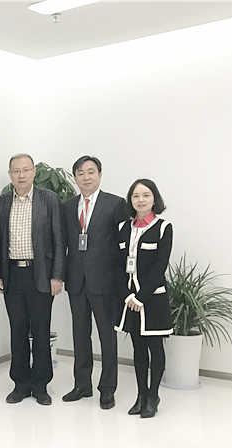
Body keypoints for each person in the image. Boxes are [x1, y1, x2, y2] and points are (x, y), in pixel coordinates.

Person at [0, 154, 65, 406]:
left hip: (41, 274)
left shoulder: (49, 199)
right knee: (18, 331)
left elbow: (59, 240)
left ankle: (41, 385)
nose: (21, 175)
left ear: (34, 172)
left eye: (26, 170)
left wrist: (57, 275)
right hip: (13, 274)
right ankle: (20, 384)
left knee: (41, 331)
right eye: (16, 171)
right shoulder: (2, 201)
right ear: (10, 174)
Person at [61, 156, 128, 410]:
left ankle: (107, 388)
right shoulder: (68, 207)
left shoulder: (116, 204)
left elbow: (123, 246)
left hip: (105, 281)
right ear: (75, 178)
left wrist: (121, 281)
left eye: (91, 172)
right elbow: (64, 243)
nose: (86, 177)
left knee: (107, 336)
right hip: (76, 280)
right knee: (80, 335)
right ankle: (82, 385)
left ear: (100, 175)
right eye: (80, 173)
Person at [115, 179, 173, 419]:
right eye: (136, 196)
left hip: (152, 299)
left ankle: (153, 396)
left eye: (146, 195)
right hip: (129, 300)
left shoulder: (163, 227)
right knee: (138, 348)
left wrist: (141, 297)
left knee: (155, 348)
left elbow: (160, 267)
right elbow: (117, 265)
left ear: (154, 198)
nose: (141, 200)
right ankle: (141, 395)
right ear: (130, 200)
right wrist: (128, 295)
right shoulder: (123, 227)